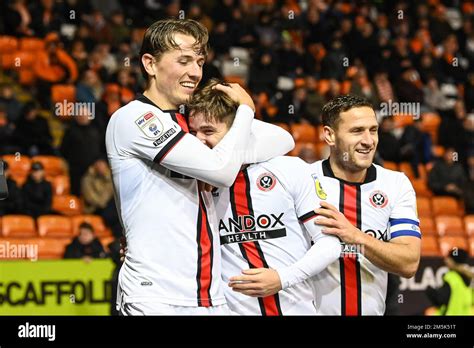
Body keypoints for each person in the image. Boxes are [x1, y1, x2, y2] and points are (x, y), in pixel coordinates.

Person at [106, 19, 293, 316]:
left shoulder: (190, 125)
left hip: (209, 295)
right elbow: (221, 171)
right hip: (156, 297)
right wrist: (245, 109)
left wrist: (222, 152)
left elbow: (283, 140)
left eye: (199, 61)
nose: (195, 72)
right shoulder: (134, 118)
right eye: (183, 60)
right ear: (150, 64)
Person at [187, 80, 341, 315]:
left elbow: (330, 244)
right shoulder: (192, 185)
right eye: (193, 132)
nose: (198, 140)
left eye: (208, 131)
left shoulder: (291, 169)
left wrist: (281, 278)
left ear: (236, 131)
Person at [309, 95, 421, 315]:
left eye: (373, 130)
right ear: (329, 135)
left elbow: (408, 263)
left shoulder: (395, 184)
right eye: (357, 131)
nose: (369, 141)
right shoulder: (302, 180)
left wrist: (356, 237)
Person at [426, 248, 473, 315]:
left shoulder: (451, 277)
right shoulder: (470, 278)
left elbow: (440, 300)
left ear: (453, 261)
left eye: (449, 258)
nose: (445, 260)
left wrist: (429, 290)